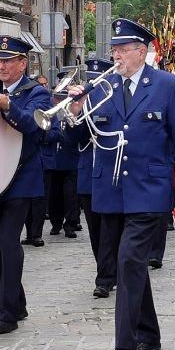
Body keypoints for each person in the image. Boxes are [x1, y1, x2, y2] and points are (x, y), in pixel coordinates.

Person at [66, 19, 175, 350]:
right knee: (132, 264)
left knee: (127, 261)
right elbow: (81, 141)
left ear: (142, 52)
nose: (117, 56)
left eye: (123, 50)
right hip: (110, 190)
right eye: (114, 50)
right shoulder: (102, 86)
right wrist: (75, 112)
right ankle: (149, 333)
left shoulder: (167, 85)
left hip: (149, 190)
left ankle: (125, 346)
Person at [0, 36, 51, 335]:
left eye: (9, 61)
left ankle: (6, 314)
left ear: (23, 63)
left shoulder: (38, 94)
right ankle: (17, 303)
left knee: (8, 243)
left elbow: (34, 127)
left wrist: (8, 105)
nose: (3, 66)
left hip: (21, 178)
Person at [74, 57, 120, 299]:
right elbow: (73, 138)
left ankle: (106, 277)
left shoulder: (114, 103)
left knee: (110, 230)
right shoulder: (83, 103)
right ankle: (106, 270)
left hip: (110, 175)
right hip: (87, 176)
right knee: (95, 231)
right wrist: (75, 112)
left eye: (97, 79)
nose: (93, 83)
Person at [45, 71, 80, 239]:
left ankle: (70, 224)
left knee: (70, 195)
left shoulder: (73, 108)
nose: (59, 101)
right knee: (55, 194)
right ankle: (56, 222)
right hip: (55, 159)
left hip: (71, 157)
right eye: (58, 98)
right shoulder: (51, 108)